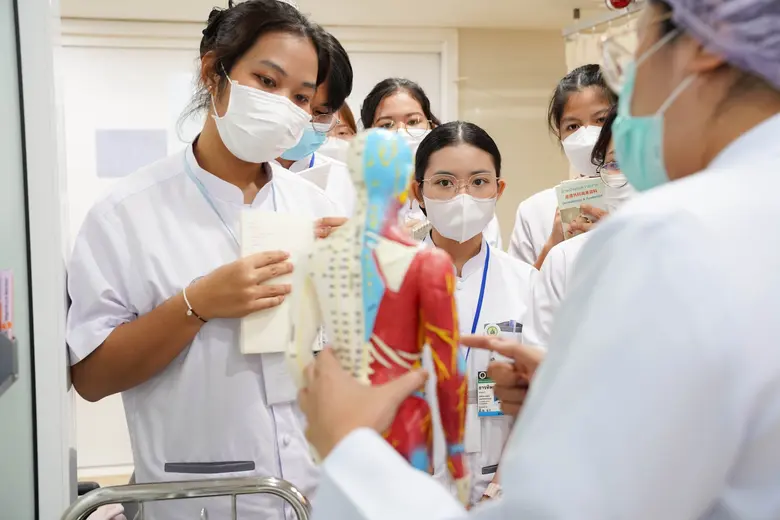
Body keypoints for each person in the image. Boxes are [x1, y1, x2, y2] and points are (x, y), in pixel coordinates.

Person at [298, 0, 780, 518]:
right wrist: (579, 402)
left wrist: (350, 448)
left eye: (631, 59)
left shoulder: (672, 234)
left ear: (705, 47)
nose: (624, 106)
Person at [66, 2, 345, 519]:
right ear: (213, 72)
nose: (285, 105)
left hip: (311, 494)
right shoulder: (125, 214)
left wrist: (358, 282)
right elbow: (92, 377)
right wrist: (196, 305)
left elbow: (343, 360)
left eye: (301, 97)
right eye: (267, 80)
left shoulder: (318, 208)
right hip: (199, 498)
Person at [410, 121, 535, 506]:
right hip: (408, 483)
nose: (462, 196)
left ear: (498, 190)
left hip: (500, 486)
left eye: (479, 182)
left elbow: (540, 399)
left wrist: (498, 491)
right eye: (445, 183)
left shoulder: (526, 282)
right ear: (418, 191)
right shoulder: (387, 278)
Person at [523, 107, 635, 348]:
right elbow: (538, 358)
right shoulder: (565, 259)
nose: (633, 175)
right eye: (615, 163)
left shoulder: (701, 255)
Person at [361, 78, 503, 248]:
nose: (401, 131)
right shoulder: (354, 197)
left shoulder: (470, 200)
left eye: (413, 122)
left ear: (432, 126)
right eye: (386, 125)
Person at [509, 64, 617, 266]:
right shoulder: (535, 210)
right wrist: (552, 246)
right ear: (560, 135)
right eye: (573, 126)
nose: (586, 136)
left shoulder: (645, 198)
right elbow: (520, 293)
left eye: (601, 119)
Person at [275, 30, 357, 216]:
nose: (305, 118)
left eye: (320, 113)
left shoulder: (350, 183)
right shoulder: (243, 172)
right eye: (299, 100)